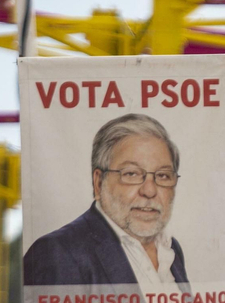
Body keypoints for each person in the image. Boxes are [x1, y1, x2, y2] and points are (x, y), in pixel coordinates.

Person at [23, 113, 190, 288]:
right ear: (98, 183)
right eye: (131, 174)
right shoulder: (58, 254)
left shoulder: (171, 250)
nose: (149, 190)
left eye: (163, 175)